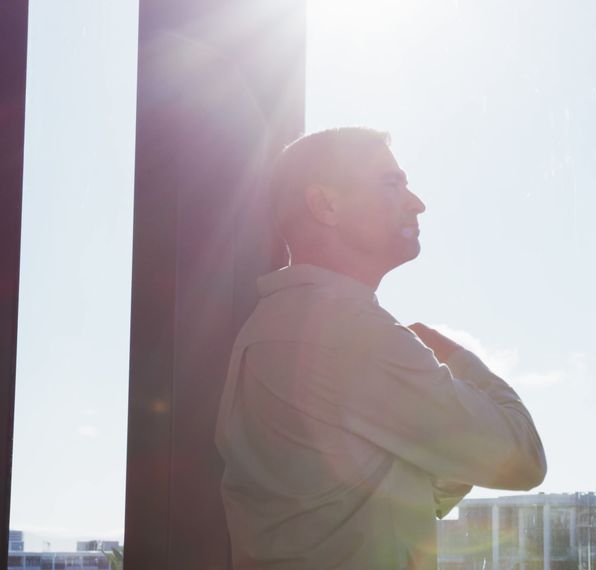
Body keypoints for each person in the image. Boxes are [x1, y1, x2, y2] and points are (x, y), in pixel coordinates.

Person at [214, 127, 547, 569]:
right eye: (392, 183)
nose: (416, 202)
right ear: (325, 204)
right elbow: (522, 457)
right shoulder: (348, 334)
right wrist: (460, 361)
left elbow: (401, 495)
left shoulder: (269, 330)